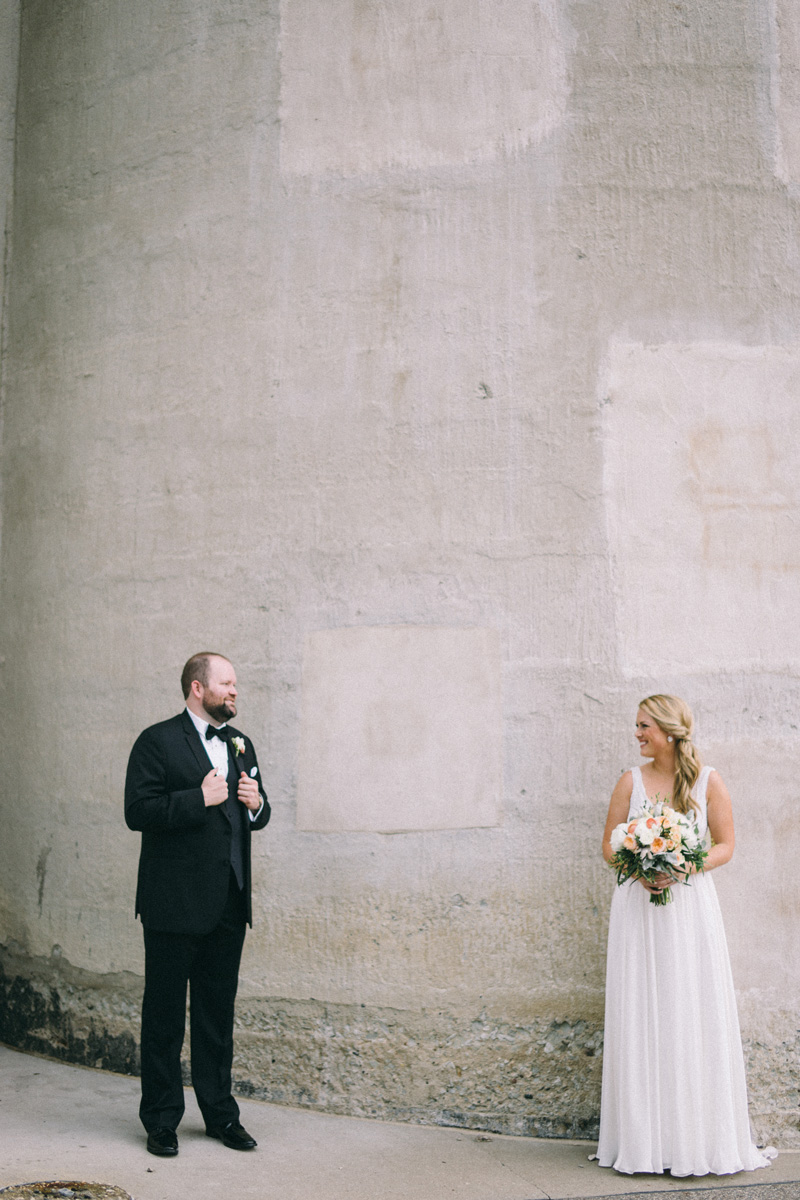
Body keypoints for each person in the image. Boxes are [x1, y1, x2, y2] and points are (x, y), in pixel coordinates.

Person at [597, 694, 775, 1177]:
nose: (636, 735)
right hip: (638, 908)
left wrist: (681, 865)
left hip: (690, 909)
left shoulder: (708, 780)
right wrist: (638, 865)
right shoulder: (628, 781)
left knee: (689, 1008)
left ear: (669, 732)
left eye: (643, 727)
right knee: (642, 1009)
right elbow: (609, 846)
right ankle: (643, 1141)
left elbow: (726, 845)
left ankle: (696, 1138)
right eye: (636, 726)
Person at [125, 652, 271, 1157]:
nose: (234, 691)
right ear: (196, 688)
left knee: (216, 1017)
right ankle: (162, 1120)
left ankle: (219, 1115)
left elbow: (257, 814)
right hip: (172, 906)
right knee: (164, 1018)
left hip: (228, 903)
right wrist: (196, 799)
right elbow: (137, 810)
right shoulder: (157, 741)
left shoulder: (241, 742)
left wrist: (257, 806)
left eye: (235, 684)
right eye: (226, 683)